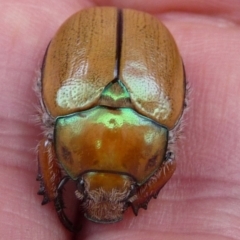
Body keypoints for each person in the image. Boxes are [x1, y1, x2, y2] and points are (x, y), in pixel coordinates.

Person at [0, 0, 240, 239]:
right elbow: (169, 164)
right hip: (137, 41)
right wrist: (139, 199)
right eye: (124, 192)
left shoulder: (63, 109)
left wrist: (54, 196)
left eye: (85, 186)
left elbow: (45, 148)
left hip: (91, 33)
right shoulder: (159, 118)